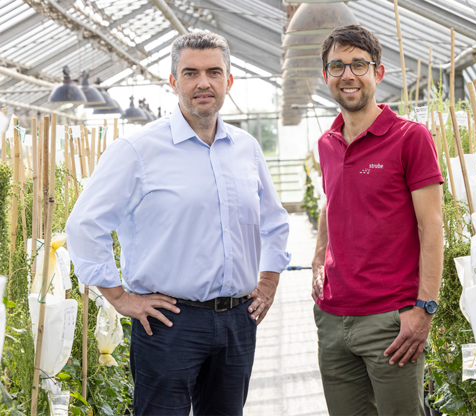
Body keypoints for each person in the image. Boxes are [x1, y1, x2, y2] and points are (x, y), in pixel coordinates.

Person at [66, 31, 291, 416]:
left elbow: (274, 222)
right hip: (170, 324)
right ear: (173, 82)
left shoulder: (246, 149)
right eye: (190, 73)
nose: (203, 82)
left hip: (238, 321)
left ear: (228, 82)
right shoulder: (137, 151)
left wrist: (268, 283)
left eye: (214, 72)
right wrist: (120, 298)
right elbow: (84, 225)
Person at [311, 25, 444, 416]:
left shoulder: (410, 137)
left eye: (358, 65)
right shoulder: (327, 142)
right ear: (326, 76)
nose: (347, 75)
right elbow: (331, 201)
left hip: (392, 318)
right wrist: (319, 257)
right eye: (337, 66)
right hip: (333, 318)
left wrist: (424, 308)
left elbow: (431, 226)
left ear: (378, 74)